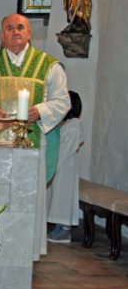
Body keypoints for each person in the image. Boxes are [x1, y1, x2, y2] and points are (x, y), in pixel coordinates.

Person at [0, 13, 70, 260]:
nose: (15, 32)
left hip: (32, 143)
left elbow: (62, 101)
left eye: (20, 27)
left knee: (28, 196)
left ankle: (26, 252)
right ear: (1, 36)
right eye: (9, 28)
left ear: (29, 33)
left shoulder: (49, 66)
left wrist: (39, 111)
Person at [47, 91, 84, 243]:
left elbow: (66, 148)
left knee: (64, 198)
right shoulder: (67, 124)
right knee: (58, 198)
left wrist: (53, 162)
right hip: (61, 166)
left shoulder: (75, 124)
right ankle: (58, 227)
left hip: (66, 166)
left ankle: (64, 231)